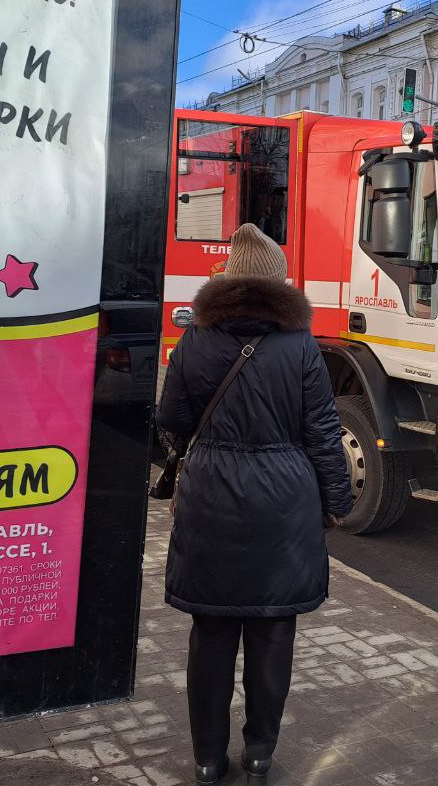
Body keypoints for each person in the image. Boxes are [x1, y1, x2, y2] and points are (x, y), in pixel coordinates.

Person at [157, 223, 352, 786]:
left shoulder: (195, 339)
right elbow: (323, 432)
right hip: (284, 504)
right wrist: (336, 502)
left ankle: (206, 759)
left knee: (211, 635)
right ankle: (261, 754)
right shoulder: (300, 347)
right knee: (272, 636)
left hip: (210, 497)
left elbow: (171, 420)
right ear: (277, 284)